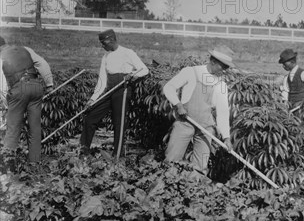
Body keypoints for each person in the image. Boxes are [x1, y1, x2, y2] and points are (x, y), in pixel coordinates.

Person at [163, 46, 234, 175]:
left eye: (226, 68)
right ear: (213, 61)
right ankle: (167, 187)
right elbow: (169, 87)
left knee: (200, 166)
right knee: (171, 160)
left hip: (206, 128)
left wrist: (226, 137)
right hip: (185, 122)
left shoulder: (221, 84)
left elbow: (223, 112)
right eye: (222, 67)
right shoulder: (191, 72)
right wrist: (178, 105)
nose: (224, 71)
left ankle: (193, 190)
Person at [80, 29, 149, 157]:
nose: (102, 46)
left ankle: (117, 156)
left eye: (103, 43)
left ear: (111, 40)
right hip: (109, 90)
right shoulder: (105, 57)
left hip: (123, 89)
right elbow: (102, 81)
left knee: (119, 122)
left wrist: (132, 75)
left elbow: (144, 70)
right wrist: (92, 100)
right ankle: (84, 151)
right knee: (91, 116)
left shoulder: (128, 53)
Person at [0, 36, 54, 162]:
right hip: (36, 87)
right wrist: (49, 84)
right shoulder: (25, 49)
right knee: (35, 128)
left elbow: (1, 83)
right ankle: (34, 163)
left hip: (18, 89)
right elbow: (42, 64)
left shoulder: (1, 56)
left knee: (13, 128)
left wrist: (6, 102)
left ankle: (8, 165)